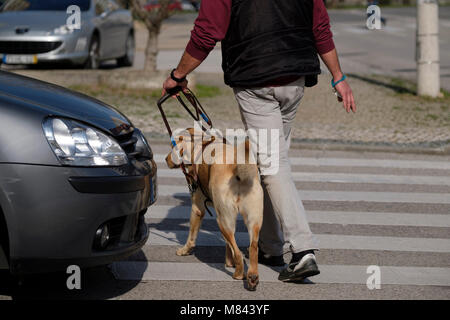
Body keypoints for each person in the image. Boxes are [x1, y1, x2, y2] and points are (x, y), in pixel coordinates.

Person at [162, 0, 356, 282]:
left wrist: (178, 75)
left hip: (256, 79)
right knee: (271, 162)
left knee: (273, 163)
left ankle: (302, 250)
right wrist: (338, 76)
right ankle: (270, 247)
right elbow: (320, 27)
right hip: (295, 78)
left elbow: (207, 32)